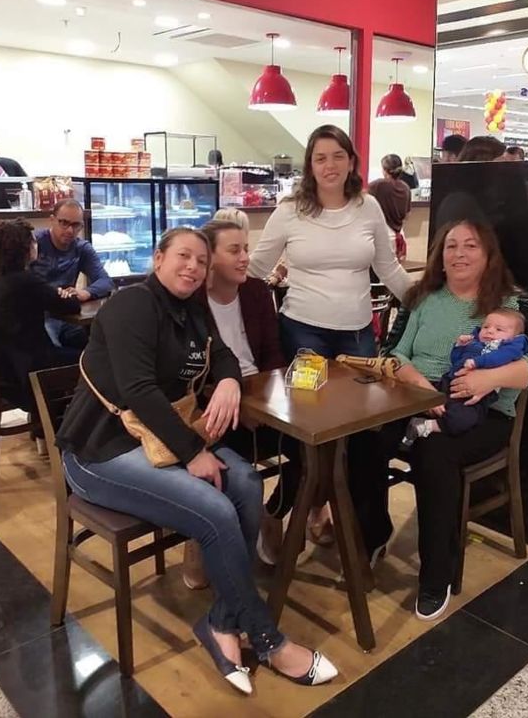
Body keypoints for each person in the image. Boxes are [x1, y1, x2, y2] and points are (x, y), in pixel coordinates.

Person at [56, 226, 337, 694]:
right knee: (215, 509)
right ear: (158, 258)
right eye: (183, 256)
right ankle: (268, 640)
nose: (193, 267)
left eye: (201, 261)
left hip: (157, 440)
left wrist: (228, 381)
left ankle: (221, 623)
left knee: (246, 482)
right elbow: (138, 390)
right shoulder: (131, 305)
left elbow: (222, 356)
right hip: (98, 452)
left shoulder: (191, 309)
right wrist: (193, 454)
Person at [375, 220, 528, 621]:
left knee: (433, 452)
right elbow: (389, 351)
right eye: (451, 246)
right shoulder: (422, 297)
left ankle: (436, 574)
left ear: (489, 254)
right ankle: (372, 532)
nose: (459, 253)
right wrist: (417, 383)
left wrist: (490, 378)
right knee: (361, 438)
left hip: (484, 412)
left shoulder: (512, 303)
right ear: (440, 256)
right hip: (412, 399)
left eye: (471, 245)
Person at [248, 124, 413, 553]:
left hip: (358, 340)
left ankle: (348, 523)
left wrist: (427, 300)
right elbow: (256, 268)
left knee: (360, 436)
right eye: (320, 158)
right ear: (310, 165)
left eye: (338, 156)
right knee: (309, 436)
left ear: (352, 161)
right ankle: (282, 512)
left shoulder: (368, 206)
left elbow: (388, 268)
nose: (330, 165)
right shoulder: (290, 211)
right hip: (302, 336)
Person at [199, 219, 300, 565]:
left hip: (261, 395)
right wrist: (238, 404)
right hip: (214, 406)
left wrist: (269, 401)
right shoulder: (193, 300)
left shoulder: (256, 291)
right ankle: (201, 539)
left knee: (320, 452)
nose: (245, 258)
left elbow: (273, 354)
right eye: (234, 250)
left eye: (246, 249)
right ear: (210, 259)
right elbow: (193, 374)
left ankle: (275, 511)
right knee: (234, 469)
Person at [0, 219, 81, 436]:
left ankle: (46, 434)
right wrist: (64, 294)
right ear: (26, 249)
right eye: (33, 242)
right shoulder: (25, 282)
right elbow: (71, 305)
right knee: (93, 359)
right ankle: (67, 436)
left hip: (3, 371)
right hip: (27, 376)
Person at [402, 308, 528, 444]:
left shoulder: (508, 348)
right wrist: (459, 346)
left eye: (499, 329)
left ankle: (425, 426)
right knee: (412, 402)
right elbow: (456, 360)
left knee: (464, 419)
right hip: (448, 381)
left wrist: (477, 362)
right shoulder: (475, 342)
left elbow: (499, 358)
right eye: (486, 327)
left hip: (472, 397)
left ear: (515, 337)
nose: (490, 331)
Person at [33, 199, 114, 349]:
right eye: (64, 223)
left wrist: (85, 293)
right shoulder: (35, 243)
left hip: (68, 315)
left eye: (76, 225)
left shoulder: (81, 248)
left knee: (95, 348)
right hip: (39, 317)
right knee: (52, 350)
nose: (70, 230)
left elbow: (105, 281)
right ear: (52, 220)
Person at [368, 154, 411, 261]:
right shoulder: (406, 187)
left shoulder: (378, 185)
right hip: (400, 236)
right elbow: (407, 215)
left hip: (383, 237)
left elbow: (359, 196)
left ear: (385, 170)